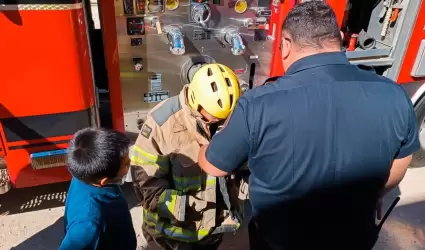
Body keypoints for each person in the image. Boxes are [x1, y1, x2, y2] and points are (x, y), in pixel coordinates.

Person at [197, 2, 420, 250]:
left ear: (287, 45)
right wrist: (375, 193)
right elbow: (402, 159)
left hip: (280, 242)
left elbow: (213, 166)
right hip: (354, 239)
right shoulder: (393, 95)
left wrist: (203, 144)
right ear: (338, 41)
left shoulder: (257, 104)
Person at [130, 63, 249, 250]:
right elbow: (147, 187)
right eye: (214, 117)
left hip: (213, 233)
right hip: (171, 237)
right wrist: (195, 207)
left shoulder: (231, 117)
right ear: (196, 102)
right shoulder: (161, 124)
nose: (220, 122)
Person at [60, 128, 137, 250]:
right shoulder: (87, 223)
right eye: (126, 164)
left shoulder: (84, 175)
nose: (131, 163)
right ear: (104, 181)